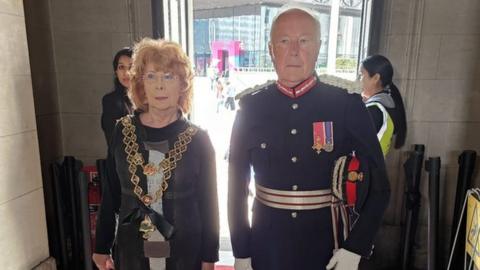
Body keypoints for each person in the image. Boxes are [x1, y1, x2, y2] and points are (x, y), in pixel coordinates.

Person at [227, 4, 390, 270]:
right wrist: (242, 250)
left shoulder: (345, 104)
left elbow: (381, 186)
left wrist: (356, 247)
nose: (293, 51)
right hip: (268, 247)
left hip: (327, 246)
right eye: (284, 41)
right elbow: (236, 186)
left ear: (318, 47)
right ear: (271, 50)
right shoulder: (251, 108)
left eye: (303, 41)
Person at [93, 38, 219, 270]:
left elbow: (209, 205)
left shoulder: (198, 140)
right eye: (151, 76)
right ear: (140, 84)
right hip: (132, 251)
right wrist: (101, 245)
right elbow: (110, 193)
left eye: (169, 76)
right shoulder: (122, 131)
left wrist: (209, 257)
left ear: (183, 84)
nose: (160, 85)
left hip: (184, 253)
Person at [360, 55, 407, 155]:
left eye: (362, 75)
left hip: (367, 168)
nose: (360, 80)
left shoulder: (375, 109)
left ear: (376, 78)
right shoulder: (385, 103)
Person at [101, 47, 134, 145]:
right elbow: (114, 141)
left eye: (131, 67)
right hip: (121, 158)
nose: (126, 73)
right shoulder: (110, 101)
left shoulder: (150, 99)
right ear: (116, 71)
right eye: (121, 67)